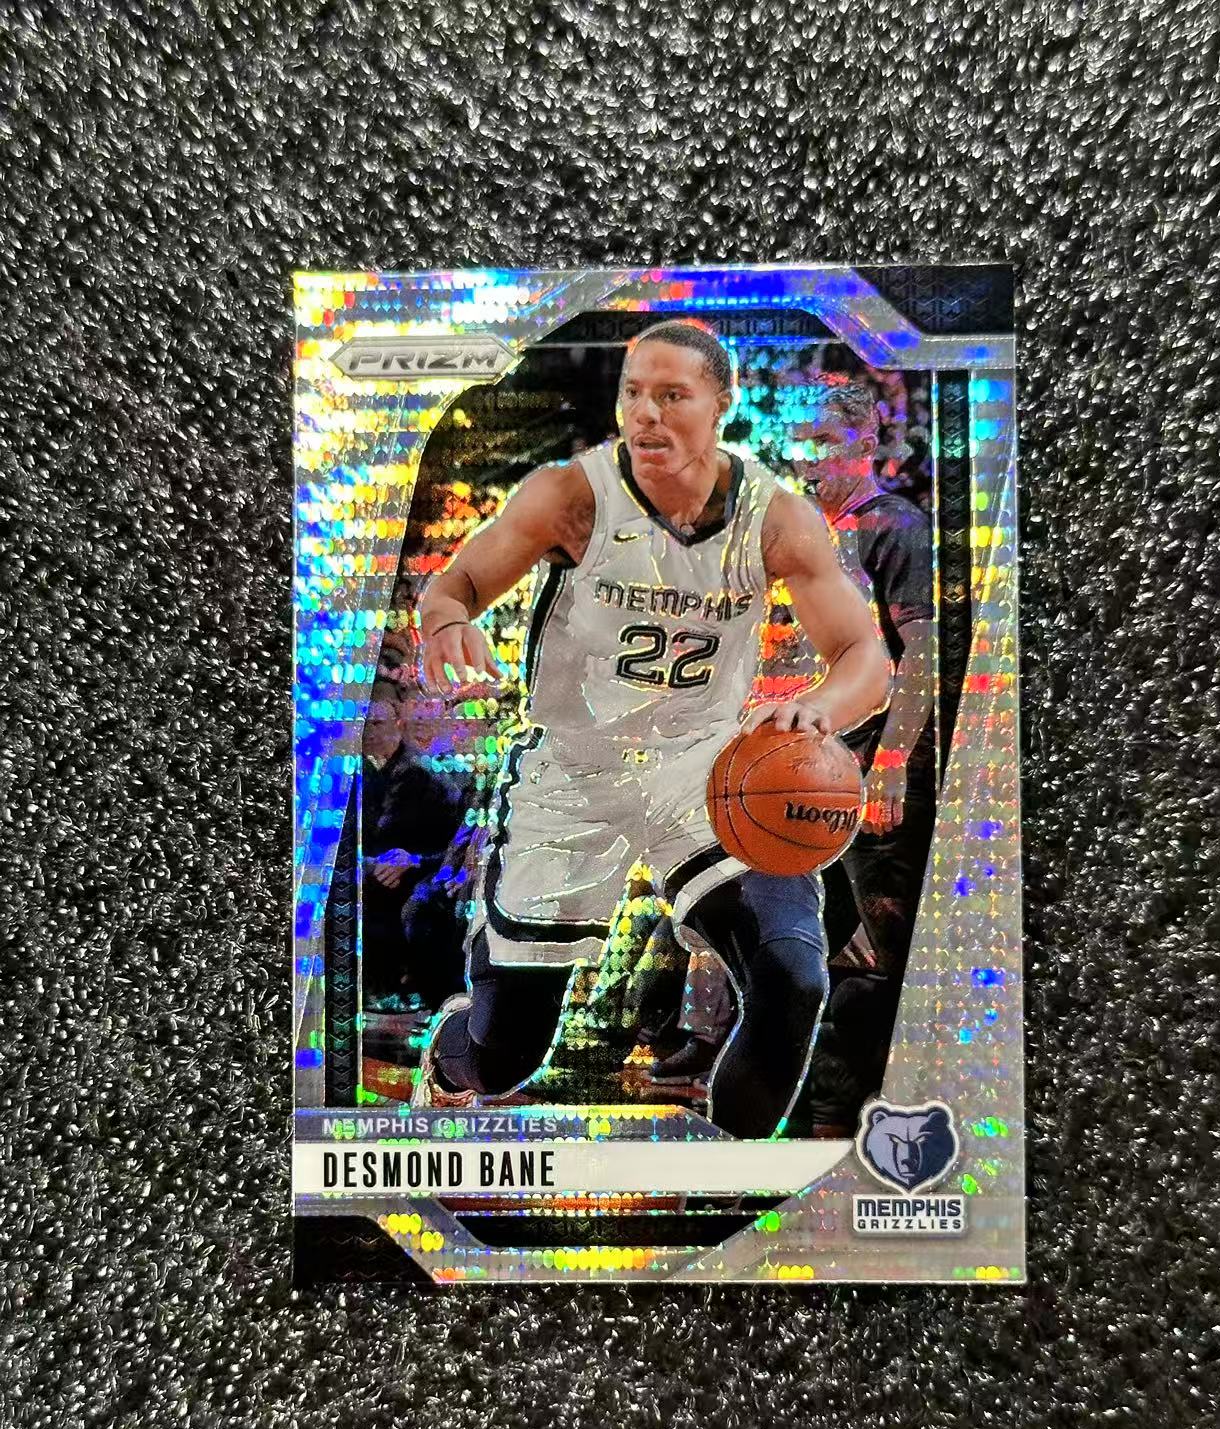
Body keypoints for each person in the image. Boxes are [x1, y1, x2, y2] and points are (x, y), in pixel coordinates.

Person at [410, 320, 889, 1139]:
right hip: (575, 772)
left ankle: (732, 1177)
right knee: (506, 1055)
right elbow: (454, 587)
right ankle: (449, 1061)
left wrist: (822, 708)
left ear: (721, 404)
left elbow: (864, 658)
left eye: (672, 395)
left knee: (792, 977)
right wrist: (448, 624)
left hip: (700, 769)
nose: (646, 414)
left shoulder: (775, 517)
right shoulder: (570, 495)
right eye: (634, 393)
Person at [803, 379, 938, 1131]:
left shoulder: (894, 525)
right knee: (822, 944)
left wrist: (891, 762)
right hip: (809, 771)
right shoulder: (802, 537)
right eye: (800, 444)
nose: (808, 459)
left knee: (875, 949)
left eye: (823, 442)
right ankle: (814, 1115)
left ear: (864, 443)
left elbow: (923, 650)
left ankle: (854, 1120)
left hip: (873, 764)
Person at [361, 681, 467, 1010]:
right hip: (379, 869)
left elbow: (453, 843)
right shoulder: (362, 774)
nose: (370, 732)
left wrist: (413, 861)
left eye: (377, 723)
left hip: (426, 871)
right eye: (365, 725)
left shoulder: (424, 775)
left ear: (397, 724)